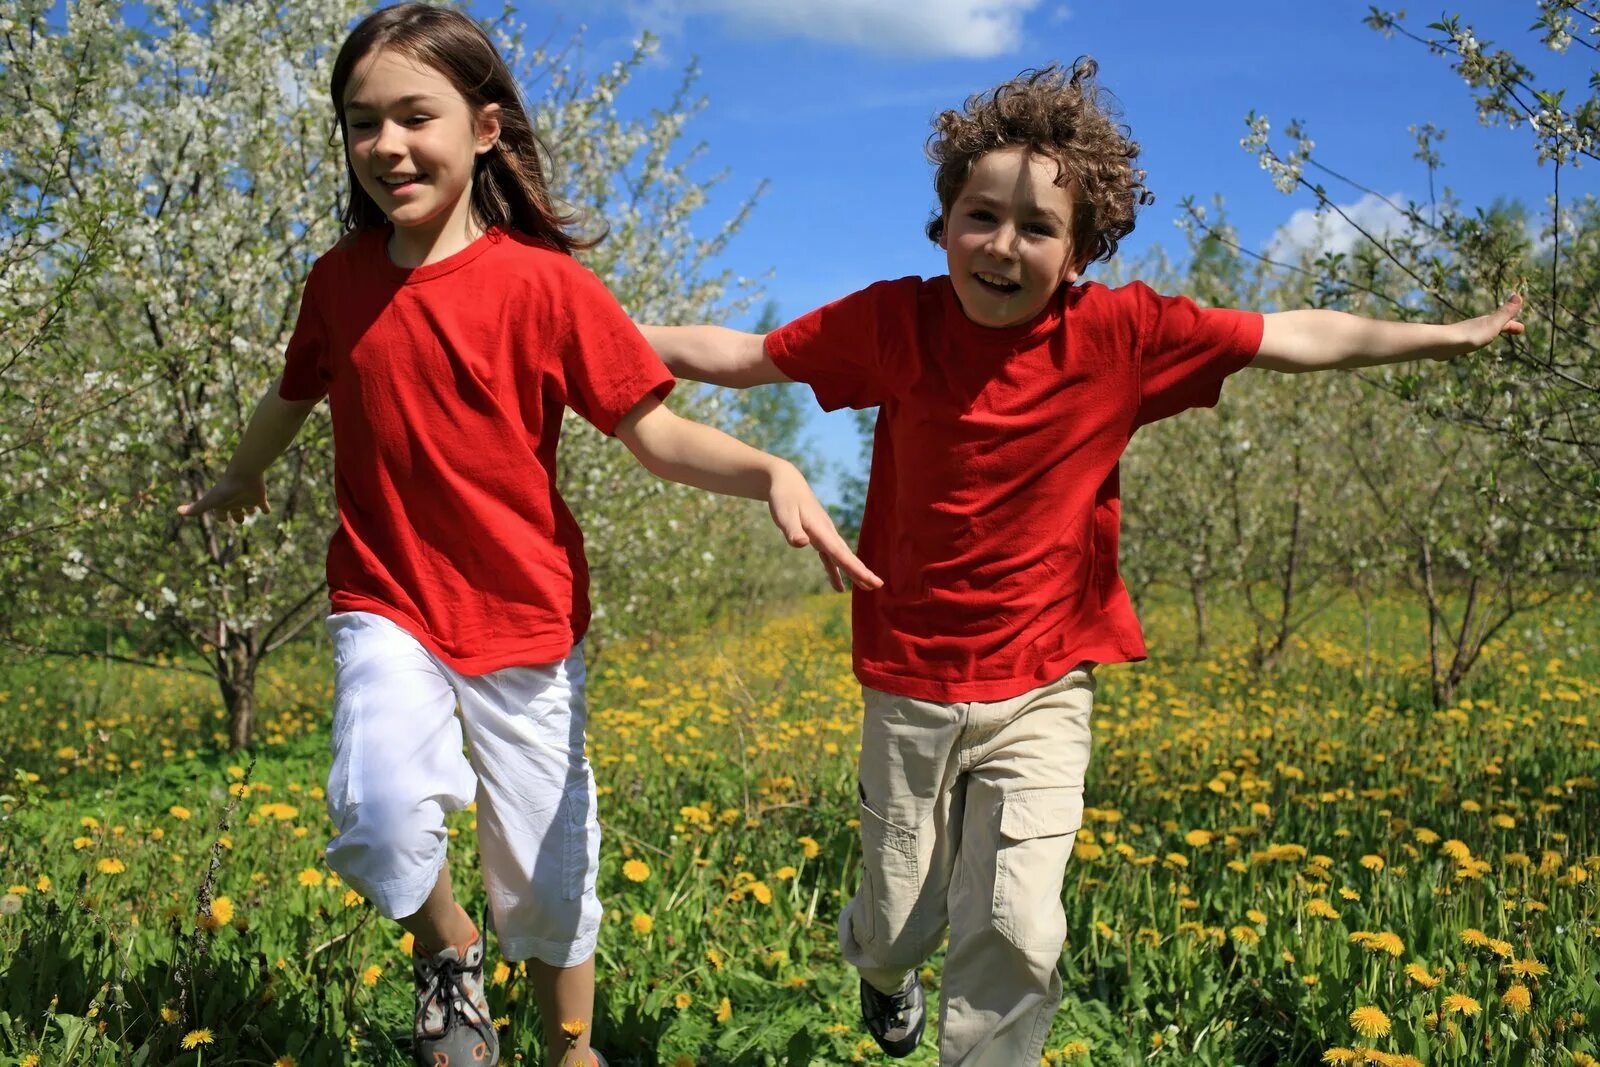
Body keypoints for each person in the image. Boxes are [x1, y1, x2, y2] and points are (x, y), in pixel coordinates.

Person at [640, 60, 1523, 1067]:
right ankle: (883, 975)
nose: (1002, 245)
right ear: (944, 224)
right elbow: (747, 353)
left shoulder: (1124, 336)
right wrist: (592, 334)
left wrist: (1446, 333)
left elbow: (1294, 335)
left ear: (1082, 250)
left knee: (1018, 921)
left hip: (1046, 680)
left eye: (1036, 227)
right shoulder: (895, 324)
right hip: (910, 677)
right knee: (896, 915)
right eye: (981, 215)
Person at [177, 5, 879, 1066]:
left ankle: (568, 1046)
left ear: (487, 127)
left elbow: (657, 434)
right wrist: (242, 471)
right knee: (374, 813)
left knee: (547, 873)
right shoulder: (339, 281)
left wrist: (772, 468)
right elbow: (293, 392)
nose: (386, 146)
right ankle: (449, 952)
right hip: (386, 596)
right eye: (361, 122)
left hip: (524, 613)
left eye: (415, 115)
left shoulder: (547, 286)